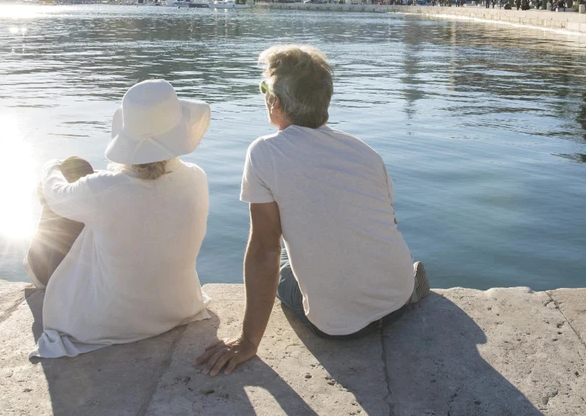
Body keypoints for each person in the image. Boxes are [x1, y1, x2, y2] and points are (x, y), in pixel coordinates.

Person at [195, 45, 428, 377]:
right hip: (398, 298)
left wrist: (248, 341)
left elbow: (265, 249)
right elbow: (387, 221)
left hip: (339, 328)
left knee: (285, 274)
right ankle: (404, 284)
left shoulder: (264, 153)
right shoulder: (364, 152)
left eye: (264, 89)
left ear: (275, 102)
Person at [28, 79, 212, 358]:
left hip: (108, 322)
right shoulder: (197, 177)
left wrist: (50, 165)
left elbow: (54, 193)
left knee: (73, 171)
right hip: (178, 308)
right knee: (88, 192)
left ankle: (39, 274)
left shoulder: (104, 189)